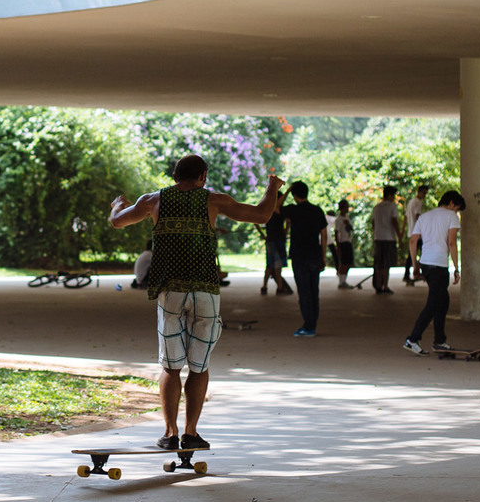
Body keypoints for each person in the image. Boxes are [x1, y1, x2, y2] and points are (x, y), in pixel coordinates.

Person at [110, 155, 283, 450]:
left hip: (171, 293)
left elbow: (117, 221)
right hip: (205, 293)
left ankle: (169, 433)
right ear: (203, 176)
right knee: (199, 367)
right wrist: (272, 186)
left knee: (170, 366)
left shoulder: (153, 200)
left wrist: (116, 204)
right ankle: (191, 432)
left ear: (175, 175)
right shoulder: (213, 200)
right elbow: (262, 215)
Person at [402, 189, 465, 354]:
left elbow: (413, 241)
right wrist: (457, 268)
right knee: (434, 303)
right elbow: (451, 243)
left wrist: (415, 265)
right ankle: (413, 339)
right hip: (439, 265)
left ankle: (440, 340)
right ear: (451, 203)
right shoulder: (451, 216)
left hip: (426, 264)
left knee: (443, 301)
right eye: (457, 208)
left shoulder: (425, 217)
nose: (457, 211)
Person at [280, 181, 329, 337]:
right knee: (314, 291)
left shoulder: (293, 210)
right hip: (315, 255)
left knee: (304, 292)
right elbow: (324, 235)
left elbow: (275, 207)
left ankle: (309, 326)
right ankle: (312, 323)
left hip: (299, 256)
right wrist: (323, 255)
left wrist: (287, 190)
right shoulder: (317, 210)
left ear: (295, 195)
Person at [371, 185, 402, 294]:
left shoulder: (376, 207)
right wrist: (399, 237)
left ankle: (378, 286)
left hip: (378, 238)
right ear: (389, 195)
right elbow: (395, 222)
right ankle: (385, 286)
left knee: (379, 263)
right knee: (386, 264)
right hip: (389, 238)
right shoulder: (392, 206)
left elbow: (373, 223)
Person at [258, 203, 293, 295]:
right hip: (277, 240)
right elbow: (288, 221)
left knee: (270, 265)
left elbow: (256, 222)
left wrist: (263, 235)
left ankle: (265, 287)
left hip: (271, 240)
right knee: (277, 266)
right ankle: (280, 288)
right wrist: (285, 232)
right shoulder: (280, 210)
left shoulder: (268, 209)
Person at [402, 183, 428, 286]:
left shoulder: (410, 202)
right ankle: (422, 272)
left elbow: (405, 217)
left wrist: (403, 230)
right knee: (423, 252)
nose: (424, 195)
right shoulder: (418, 202)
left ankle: (407, 274)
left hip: (411, 232)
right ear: (419, 192)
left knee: (411, 254)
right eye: (423, 193)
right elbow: (418, 216)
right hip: (417, 233)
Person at [332, 198, 355, 289]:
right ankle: (341, 282)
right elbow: (336, 232)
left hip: (348, 241)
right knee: (344, 262)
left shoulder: (346, 218)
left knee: (349, 262)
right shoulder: (338, 219)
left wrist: (348, 224)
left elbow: (351, 229)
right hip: (343, 242)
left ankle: (343, 280)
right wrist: (338, 245)